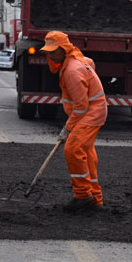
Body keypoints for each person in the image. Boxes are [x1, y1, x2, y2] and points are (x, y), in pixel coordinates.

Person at [40, 31, 108, 213]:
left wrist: (67, 129)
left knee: (72, 149)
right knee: (86, 152)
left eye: (54, 51)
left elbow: (81, 106)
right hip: (90, 112)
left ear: (64, 49)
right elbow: (90, 62)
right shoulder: (76, 60)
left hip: (91, 114)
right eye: (48, 51)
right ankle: (96, 199)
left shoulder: (72, 70)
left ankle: (83, 195)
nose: (50, 55)